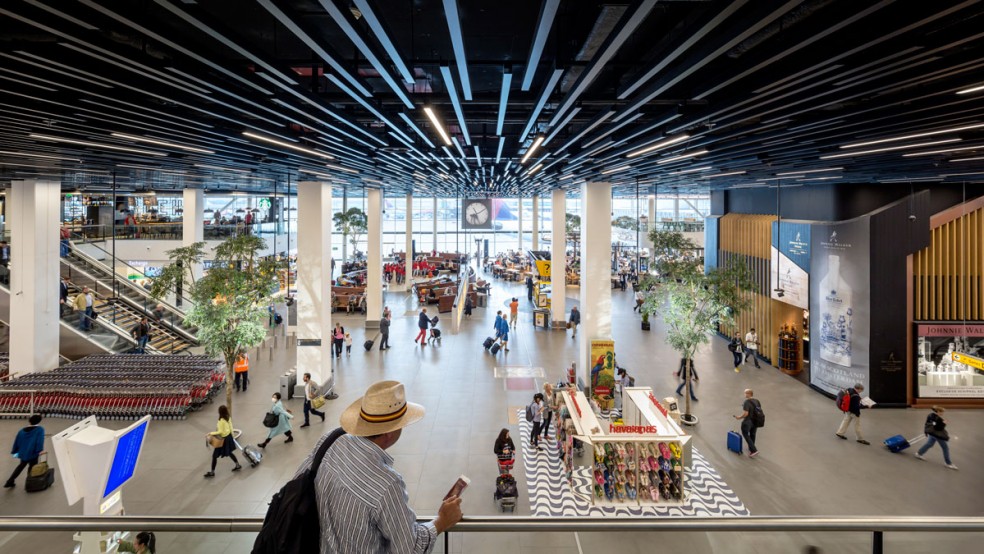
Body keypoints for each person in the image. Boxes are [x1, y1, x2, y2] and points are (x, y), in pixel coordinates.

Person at [295, 380, 462, 552]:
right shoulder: (387, 484)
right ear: (390, 433)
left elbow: (298, 481)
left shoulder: (330, 441)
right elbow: (409, 548)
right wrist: (441, 521)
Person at [4, 414, 45, 489]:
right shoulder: (40, 430)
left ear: (29, 421)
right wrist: (40, 450)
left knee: (20, 466)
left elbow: (17, 441)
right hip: (33, 453)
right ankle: (29, 484)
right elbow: (40, 441)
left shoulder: (21, 431)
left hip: (23, 453)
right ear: (39, 421)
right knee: (32, 467)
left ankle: (10, 481)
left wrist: (15, 450)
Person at [204, 405, 241, 477]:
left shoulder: (221, 421)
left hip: (223, 440)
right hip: (229, 437)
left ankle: (212, 472)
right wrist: (232, 436)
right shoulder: (228, 417)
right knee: (229, 452)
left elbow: (220, 431)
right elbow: (231, 427)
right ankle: (237, 465)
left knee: (214, 456)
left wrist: (210, 433)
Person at [733, 389, 762, 457]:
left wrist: (739, 417)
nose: (744, 395)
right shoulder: (757, 401)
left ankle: (754, 450)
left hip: (748, 421)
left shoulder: (747, 402)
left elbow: (746, 413)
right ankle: (751, 447)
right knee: (753, 434)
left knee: (745, 434)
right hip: (755, 421)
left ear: (749, 394)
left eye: (745, 393)